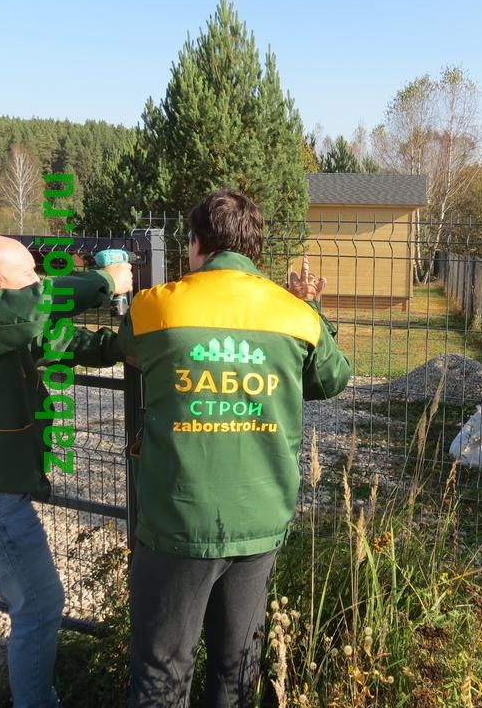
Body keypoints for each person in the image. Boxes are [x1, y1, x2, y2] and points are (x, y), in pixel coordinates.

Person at [118, 189, 352, 707]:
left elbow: (130, 348)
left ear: (196, 242)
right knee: (237, 670)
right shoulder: (295, 315)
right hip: (258, 519)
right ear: (255, 248)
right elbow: (332, 378)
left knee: (162, 672)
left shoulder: (156, 306)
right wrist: (310, 307)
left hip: (178, 521)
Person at [0, 235, 133, 708]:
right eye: (29, 275)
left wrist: (120, 345)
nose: (38, 280)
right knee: (39, 605)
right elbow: (39, 304)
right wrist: (105, 281)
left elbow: (55, 338)